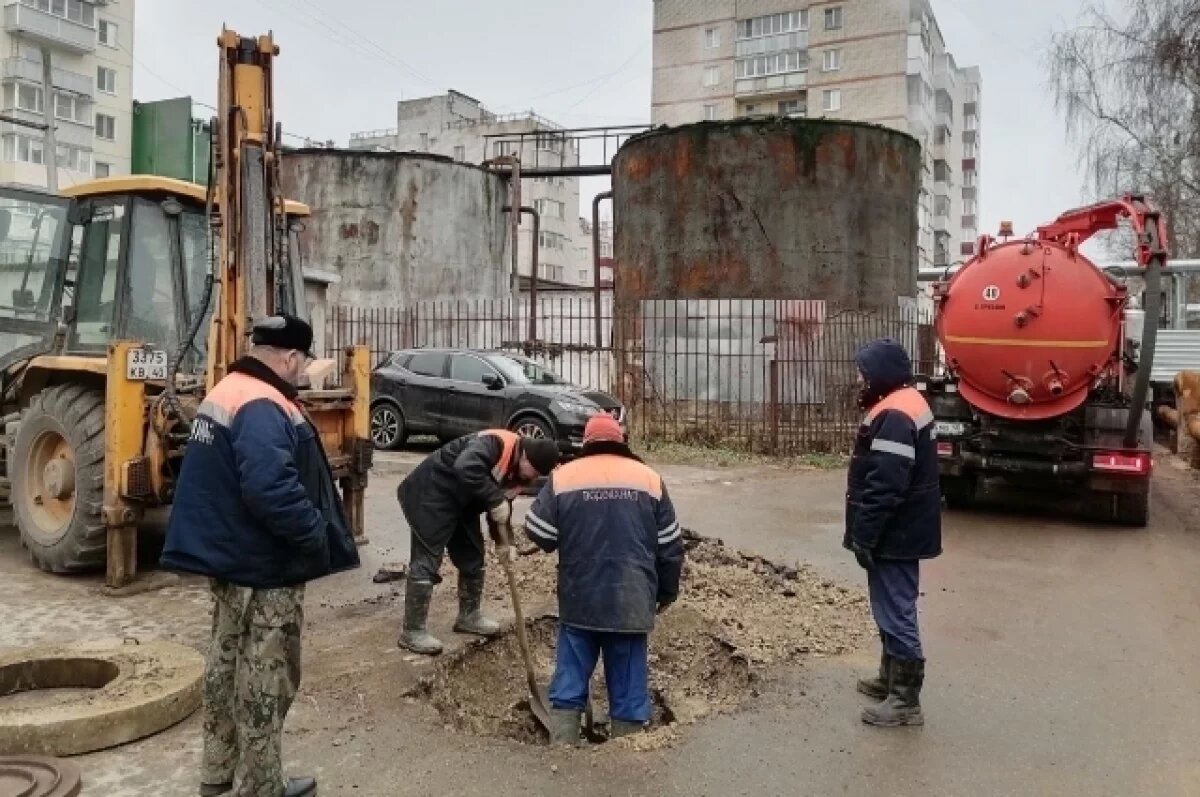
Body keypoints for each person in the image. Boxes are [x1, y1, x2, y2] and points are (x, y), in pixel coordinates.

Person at [161, 314, 360, 797]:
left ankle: (218, 773)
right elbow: (270, 488)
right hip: (263, 570)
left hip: (231, 562)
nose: (302, 370)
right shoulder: (263, 404)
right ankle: (261, 787)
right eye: (303, 361)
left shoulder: (228, 389)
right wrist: (315, 534)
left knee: (226, 667)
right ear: (292, 357)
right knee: (266, 680)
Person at [524, 414, 684, 745]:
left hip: (580, 597)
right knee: (628, 686)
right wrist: (666, 592)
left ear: (586, 443)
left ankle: (563, 749)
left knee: (569, 680)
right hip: (632, 598)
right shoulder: (650, 480)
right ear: (621, 441)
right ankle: (624, 756)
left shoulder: (563, 478)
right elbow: (670, 548)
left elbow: (539, 534)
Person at [844, 337, 942, 728]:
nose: (859, 380)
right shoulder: (904, 402)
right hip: (902, 530)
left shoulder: (895, 414)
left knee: (897, 608)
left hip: (895, 533)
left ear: (880, 374)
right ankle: (890, 679)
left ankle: (905, 700)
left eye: (863, 373)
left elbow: (885, 484)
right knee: (888, 603)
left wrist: (865, 535)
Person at [397, 428, 561, 655]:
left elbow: (500, 511)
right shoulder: (496, 444)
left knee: (473, 556)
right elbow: (465, 466)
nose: (533, 478)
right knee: (427, 560)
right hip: (431, 493)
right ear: (525, 456)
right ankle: (412, 632)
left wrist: (506, 544)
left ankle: (469, 616)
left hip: (461, 504)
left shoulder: (518, 473)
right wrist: (495, 500)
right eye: (534, 472)